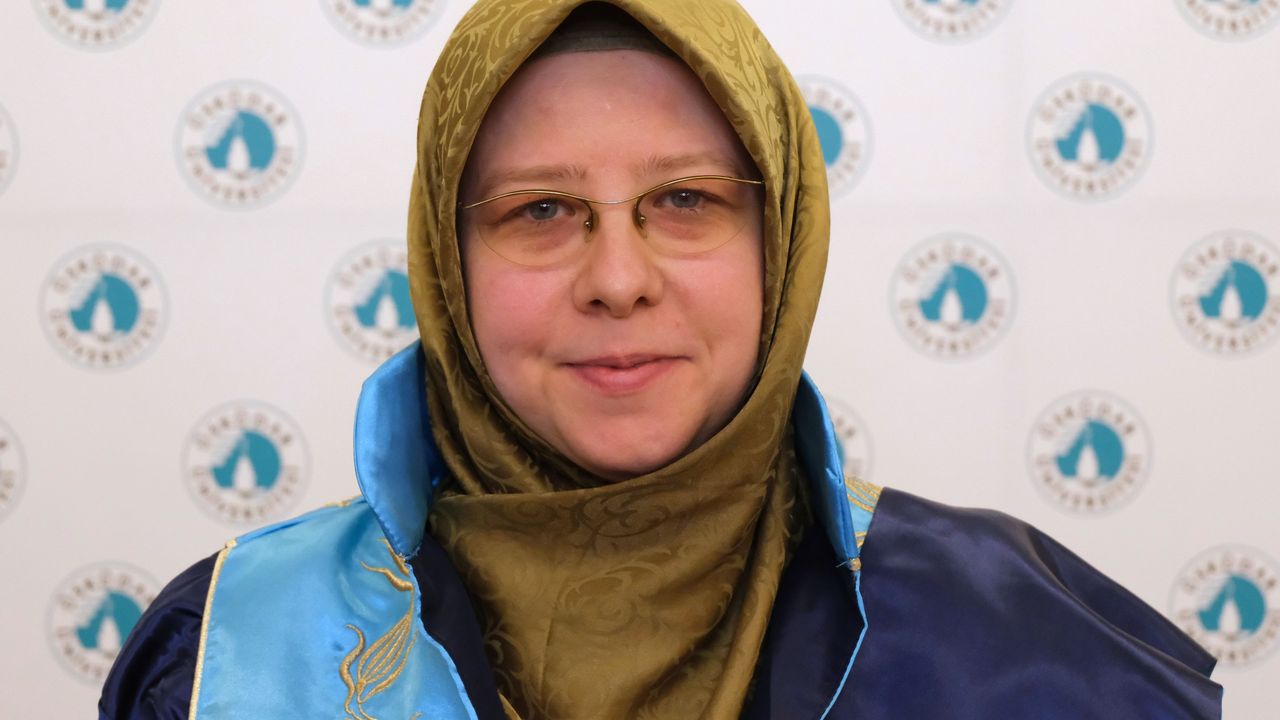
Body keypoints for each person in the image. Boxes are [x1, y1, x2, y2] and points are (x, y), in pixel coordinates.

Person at [99, 1, 1223, 718]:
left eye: (685, 200)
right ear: (447, 262)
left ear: (778, 245)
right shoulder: (234, 655)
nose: (618, 278)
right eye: (541, 210)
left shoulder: (1019, 650)